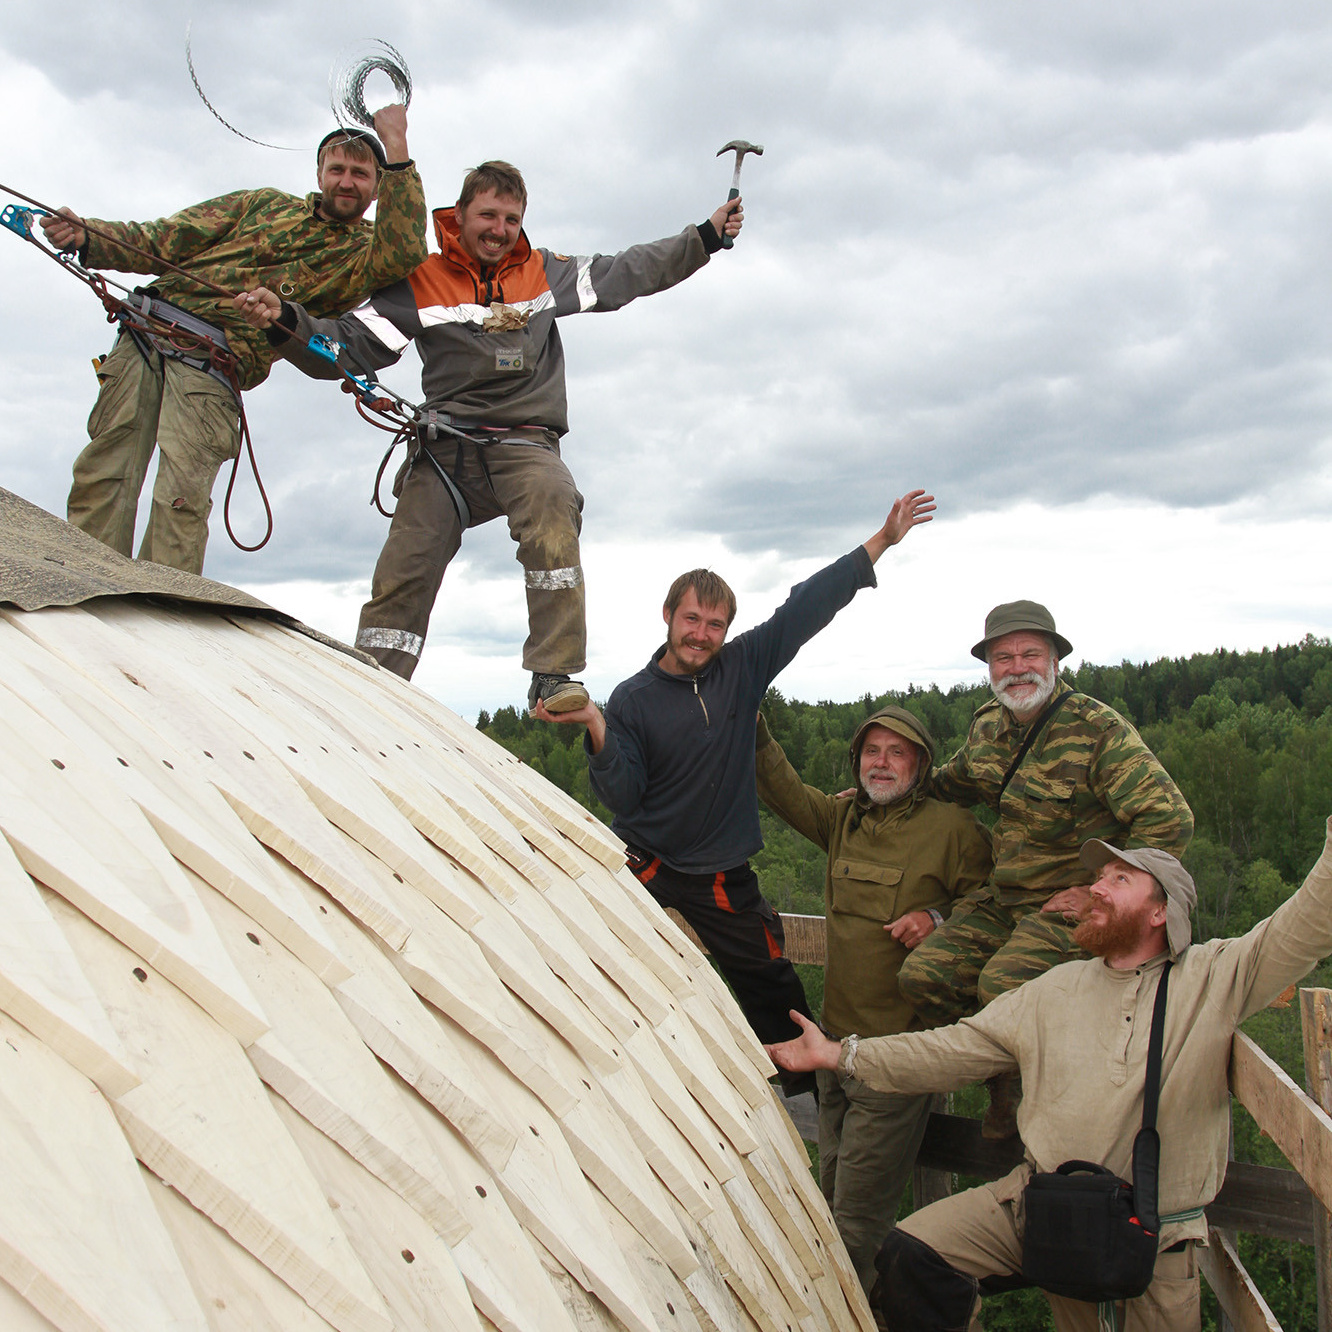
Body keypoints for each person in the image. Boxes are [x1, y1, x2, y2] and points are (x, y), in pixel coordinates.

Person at [766, 824, 1332, 1330]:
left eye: (1120, 878)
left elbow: (1305, 924)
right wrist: (842, 1055)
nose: (1098, 888)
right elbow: (951, 1049)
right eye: (1099, 876)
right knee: (912, 1257)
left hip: (1149, 1240)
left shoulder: (1212, 978)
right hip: (1036, 1204)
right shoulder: (1053, 990)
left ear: (1161, 913)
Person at [236, 161, 744, 713]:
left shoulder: (545, 274)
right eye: (487, 215)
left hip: (525, 444)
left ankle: (554, 675)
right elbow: (348, 345)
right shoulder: (422, 281)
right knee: (406, 561)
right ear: (461, 214)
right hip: (445, 449)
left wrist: (705, 238)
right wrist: (285, 321)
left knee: (553, 503)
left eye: (510, 218)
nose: (499, 229)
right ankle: (373, 690)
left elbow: (629, 271)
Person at [538, 489, 936, 1062]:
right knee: (592, 954)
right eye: (692, 619)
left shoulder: (743, 667)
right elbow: (623, 793)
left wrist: (881, 542)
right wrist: (598, 727)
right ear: (669, 616)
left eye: (715, 624)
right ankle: (594, 1065)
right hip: (644, 861)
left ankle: (805, 1086)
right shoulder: (634, 698)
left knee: (772, 984)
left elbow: (806, 608)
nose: (701, 634)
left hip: (719, 873)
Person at [39, 108, 427, 576]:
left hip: (212, 365)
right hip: (144, 335)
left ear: (378, 187)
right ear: (319, 173)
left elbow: (405, 251)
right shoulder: (262, 204)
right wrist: (88, 237)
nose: (347, 182)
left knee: (180, 498)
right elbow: (165, 238)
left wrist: (397, 148)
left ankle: (162, 617)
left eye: (361, 174)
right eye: (337, 169)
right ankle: (80, 591)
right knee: (103, 474)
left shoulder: (365, 253)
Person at [896, 599, 1194, 1137]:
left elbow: (1168, 820)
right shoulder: (988, 729)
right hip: (1004, 897)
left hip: (1067, 904)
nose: (1017, 667)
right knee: (924, 977)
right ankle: (1005, 1081)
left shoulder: (1098, 730)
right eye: (1002, 656)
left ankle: (1049, 1112)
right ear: (988, 667)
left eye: (1030, 652)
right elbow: (949, 785)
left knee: (1003, 984)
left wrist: (1103, 893)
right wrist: (878, 794)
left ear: (1055, 659)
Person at [753, 703, 992, 1293]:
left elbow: (996, 903)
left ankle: (847, 1311)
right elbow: (780, 788)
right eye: (871, 752)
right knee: (829, 1191)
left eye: (897, 752)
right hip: (830, 1046)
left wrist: (938, 916)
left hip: (896, 1059)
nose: (881, 764)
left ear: (920, 762)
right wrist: (746, 714)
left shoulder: (953, 830)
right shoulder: (842, 821)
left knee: (855, 1224)